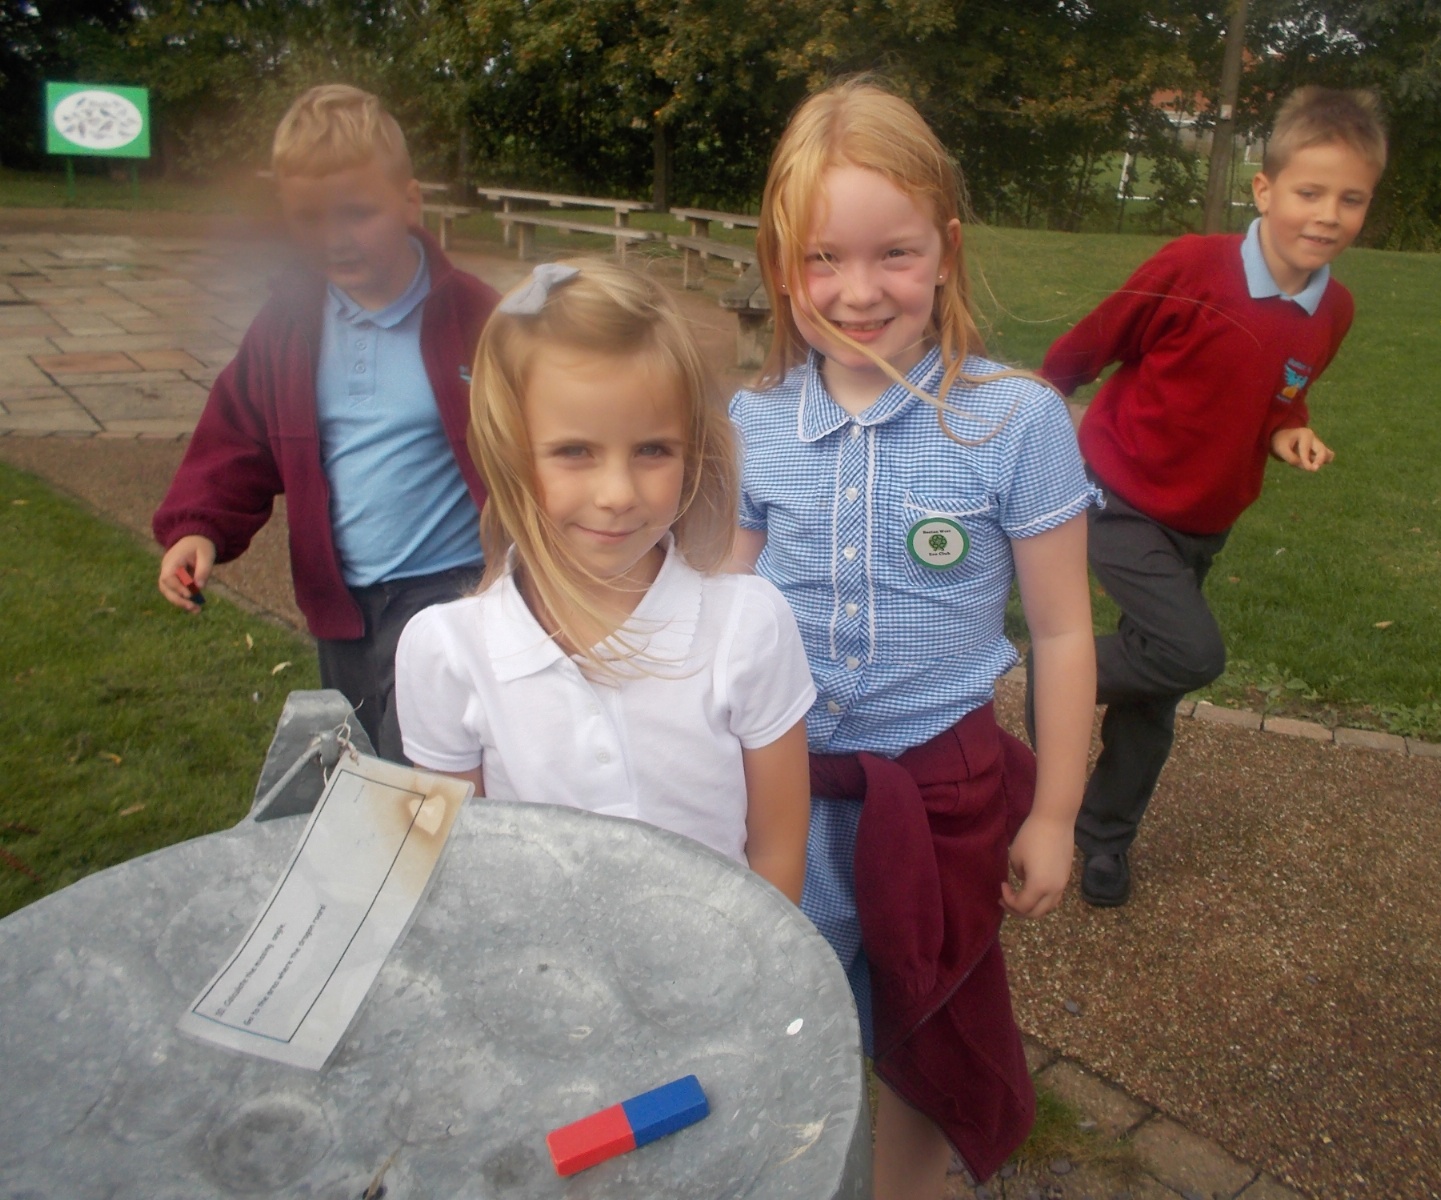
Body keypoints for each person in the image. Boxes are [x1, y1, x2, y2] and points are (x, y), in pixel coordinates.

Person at [731, 79, 1100, 1195]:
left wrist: (1054, 813)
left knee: (923, 1038)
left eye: (893, 254)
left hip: (939, 795)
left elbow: (1064, 632)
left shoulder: (1014, 419)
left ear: (944, 251)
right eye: (822, 260)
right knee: (775, 1014)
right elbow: (720, 619)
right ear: (782, 265)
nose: (858, 292)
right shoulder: (753, 423)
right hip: (782, 789)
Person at [1034, 86, 1387, 907]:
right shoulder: (1192, 267)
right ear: (1264, 189)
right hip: (1118, 490)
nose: (1327, 215)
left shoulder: (1332, 309)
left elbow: (1283, 393)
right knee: (1190, 653)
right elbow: (1090, 344)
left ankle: (1104, 838)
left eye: (1351, 199)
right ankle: (1054, 672)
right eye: (1309, 192)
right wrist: (1034, 412)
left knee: (1156, 691)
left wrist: (1288, 430)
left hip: (1205, 519)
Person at [394, 260, 814, 902]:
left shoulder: (749, 626)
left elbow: (778, 850)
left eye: (652, 449)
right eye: (574, 451)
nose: (618, 494)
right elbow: (454, 873)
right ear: (509, 451)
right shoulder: (447, 653)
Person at [152, 84, 498, 760]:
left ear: (410, 201)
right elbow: (238, 435)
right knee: (360, 762)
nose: (334, 239)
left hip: (454, 591)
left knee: (430, 771)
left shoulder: (474, 316)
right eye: (308, 218)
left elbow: (543, 436)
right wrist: (198, 527)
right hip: (341, 604)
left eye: (358, 213)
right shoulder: (288, 325)